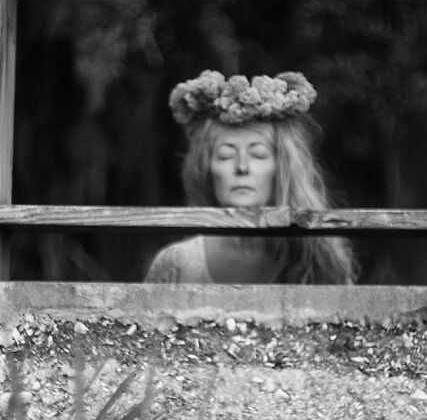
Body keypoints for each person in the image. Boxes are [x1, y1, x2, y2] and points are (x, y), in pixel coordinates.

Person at [145, 69, 357, 284]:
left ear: (282, 169)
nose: (242, 167)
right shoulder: (177, 264)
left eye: (258, 154)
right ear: (206, 169)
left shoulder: (317, 259)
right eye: (226, 155)